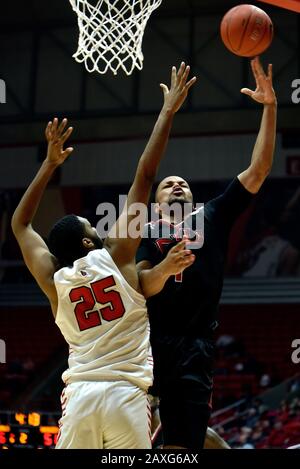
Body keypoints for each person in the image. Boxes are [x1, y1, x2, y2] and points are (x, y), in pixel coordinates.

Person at [11, 63, 196, 449]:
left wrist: (48, 165)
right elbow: (145, 177)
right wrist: (167, 111)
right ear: (86, 242)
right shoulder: (117, 255)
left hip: (80, 397)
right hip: (125, 396)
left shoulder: (54, 282)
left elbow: (21, 226)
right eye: (90, 225)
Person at [137, 57, 277, 449]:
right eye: (169, 185)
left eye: (183, 183)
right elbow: (144, 285)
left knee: (186, 444)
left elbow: (259, 169)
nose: (178, 185)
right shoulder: (145, 229)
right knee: (134, 443)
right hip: (149, 347)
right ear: (158, 200)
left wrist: (270, 108)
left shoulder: (212, 214)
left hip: (197, 346)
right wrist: (165, 268)